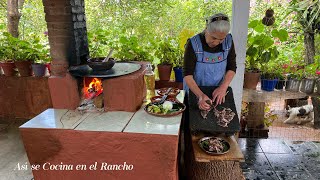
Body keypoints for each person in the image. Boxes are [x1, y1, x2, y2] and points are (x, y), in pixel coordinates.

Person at [183, 13, 237, 110]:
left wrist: (223, 88)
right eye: (213, 38)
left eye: (221, 39)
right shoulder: (193, 44)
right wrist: (200, 96)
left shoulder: (228, 41)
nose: (216, 42)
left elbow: (232, 67)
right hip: (195, 92)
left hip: (217, 93)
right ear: (206, 29)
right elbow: (187, 75)